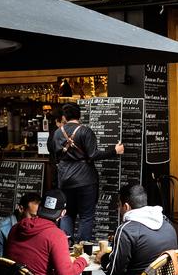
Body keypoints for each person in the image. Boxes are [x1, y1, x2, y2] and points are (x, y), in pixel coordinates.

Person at [86, 185, 177, 275]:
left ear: (126, 206)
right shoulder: (167, 223)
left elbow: (114, 272)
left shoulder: (126, 230)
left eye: (119, 205)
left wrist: (102, 257)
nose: (118, 209)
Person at [48, 102, 125, 244]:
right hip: (85, 179)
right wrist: (115, 151)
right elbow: (93, 155)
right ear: (80, 115)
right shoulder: (85, 131)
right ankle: (83, 250)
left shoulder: (57, 133)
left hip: (64, 179)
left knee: (67, 214)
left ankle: (65, 246)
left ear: (64, 116)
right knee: (86, 216)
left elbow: (52, 153)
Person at [5, 189, 89, 275]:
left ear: (39, 208)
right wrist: (83, 260)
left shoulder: (16, 227)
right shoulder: (56, 235)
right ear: (63, 213)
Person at [0, 192, 41, 263]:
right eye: (32, 216)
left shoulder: (37, 225)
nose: (36, 220)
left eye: (38, 217)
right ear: (21, 209)